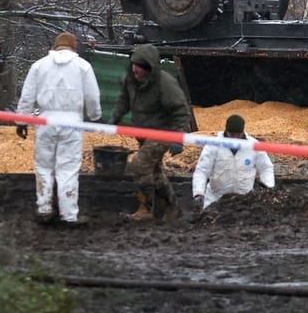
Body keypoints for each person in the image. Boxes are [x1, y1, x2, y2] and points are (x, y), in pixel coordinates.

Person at [15, 32, 102, 225]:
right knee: (68, 169)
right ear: (74, 47)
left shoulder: (39, 66)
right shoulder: (83, 66)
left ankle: (44, 208)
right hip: (72, 122)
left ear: (55, 46)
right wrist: (95, 117)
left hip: (45, 121)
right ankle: (69, 215)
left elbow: (27, 95)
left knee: (44, 167)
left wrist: (21, 121)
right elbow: (93, 96)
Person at [110, 42, 194, 221]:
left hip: (163, 132)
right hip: (143, 132)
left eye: (139, 66)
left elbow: (182, 112)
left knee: (138, 167)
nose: (135, 69)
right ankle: (172, 207)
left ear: (149, 67)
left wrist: (177, 139)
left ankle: (147, 208)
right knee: (154, 172)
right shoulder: (131, 80)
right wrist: (114, 119)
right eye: (133, 65)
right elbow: (124, 100)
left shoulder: (165, 83)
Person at [191, 114, 275, 210]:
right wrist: (198, 193)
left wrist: (268, 187)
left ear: (242, 132)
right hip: (216, 201)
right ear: (226, 131)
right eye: (232, 135)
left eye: (237, 135)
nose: (234, 138)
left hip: (245, 202)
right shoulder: (213, 146)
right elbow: (202, 170)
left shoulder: (253, 145)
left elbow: (266, 167)